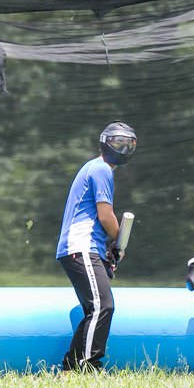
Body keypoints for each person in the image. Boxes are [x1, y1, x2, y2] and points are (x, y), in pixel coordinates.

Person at [55, 121, 138, 372]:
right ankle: (89, 366)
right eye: (117, 143)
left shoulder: (94, 167)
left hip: (81, 247)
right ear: (104, 142)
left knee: (94, 309)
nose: (122, 149)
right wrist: (118, 241)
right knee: (103, 306)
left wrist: (108, 248)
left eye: (128, 144)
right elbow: (105, 216)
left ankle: (71, 368)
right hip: (81, 246)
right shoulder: (102, 169)